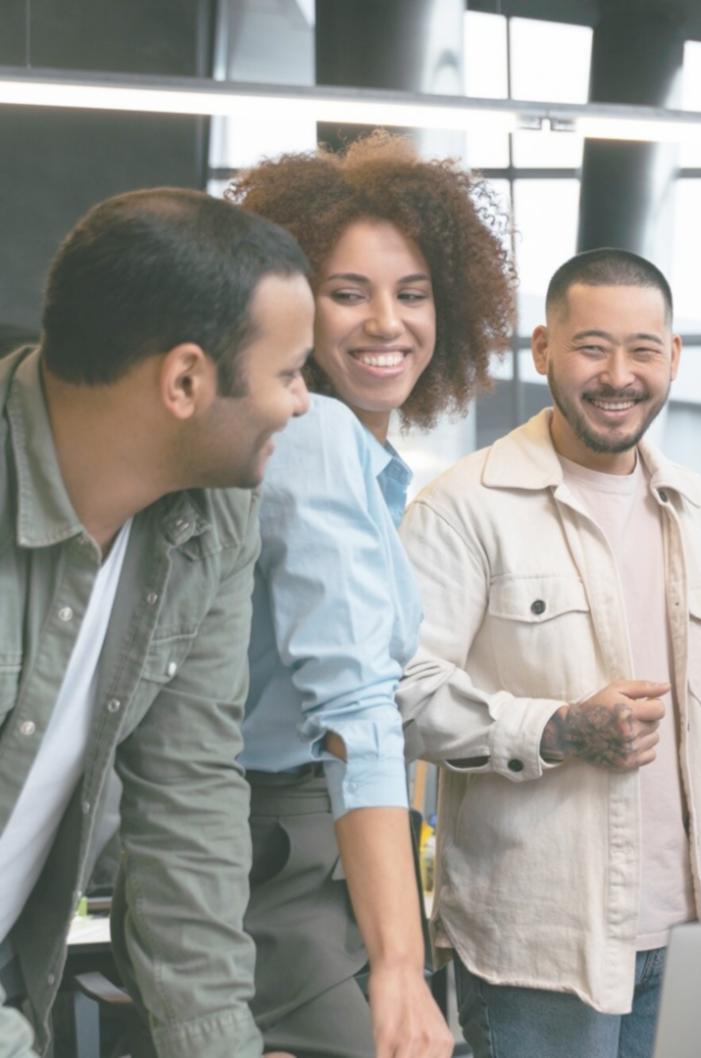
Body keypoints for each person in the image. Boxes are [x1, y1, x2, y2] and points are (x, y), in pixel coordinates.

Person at [396, 247, 701, 1058]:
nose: (619, 376)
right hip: (537, 949)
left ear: (673, 356)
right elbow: (403, 696)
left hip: (690, 938)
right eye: (591, 348)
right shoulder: (462, 507)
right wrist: (558, 728)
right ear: (544, 349)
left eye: (643, 349)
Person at [0, 188, 313, 1056]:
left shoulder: (213, 517)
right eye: (290, 373)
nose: (302, 403)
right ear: (184, 381)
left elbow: (189, 799)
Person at [227, 131, 516, 1058]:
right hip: (284, 839)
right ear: (288, 307)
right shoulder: (314, 436)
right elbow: (353, 705)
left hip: (312, 835)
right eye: (347, 293)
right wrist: (399, 965)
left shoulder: (358, 456)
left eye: (413, 294)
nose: (387, 323)